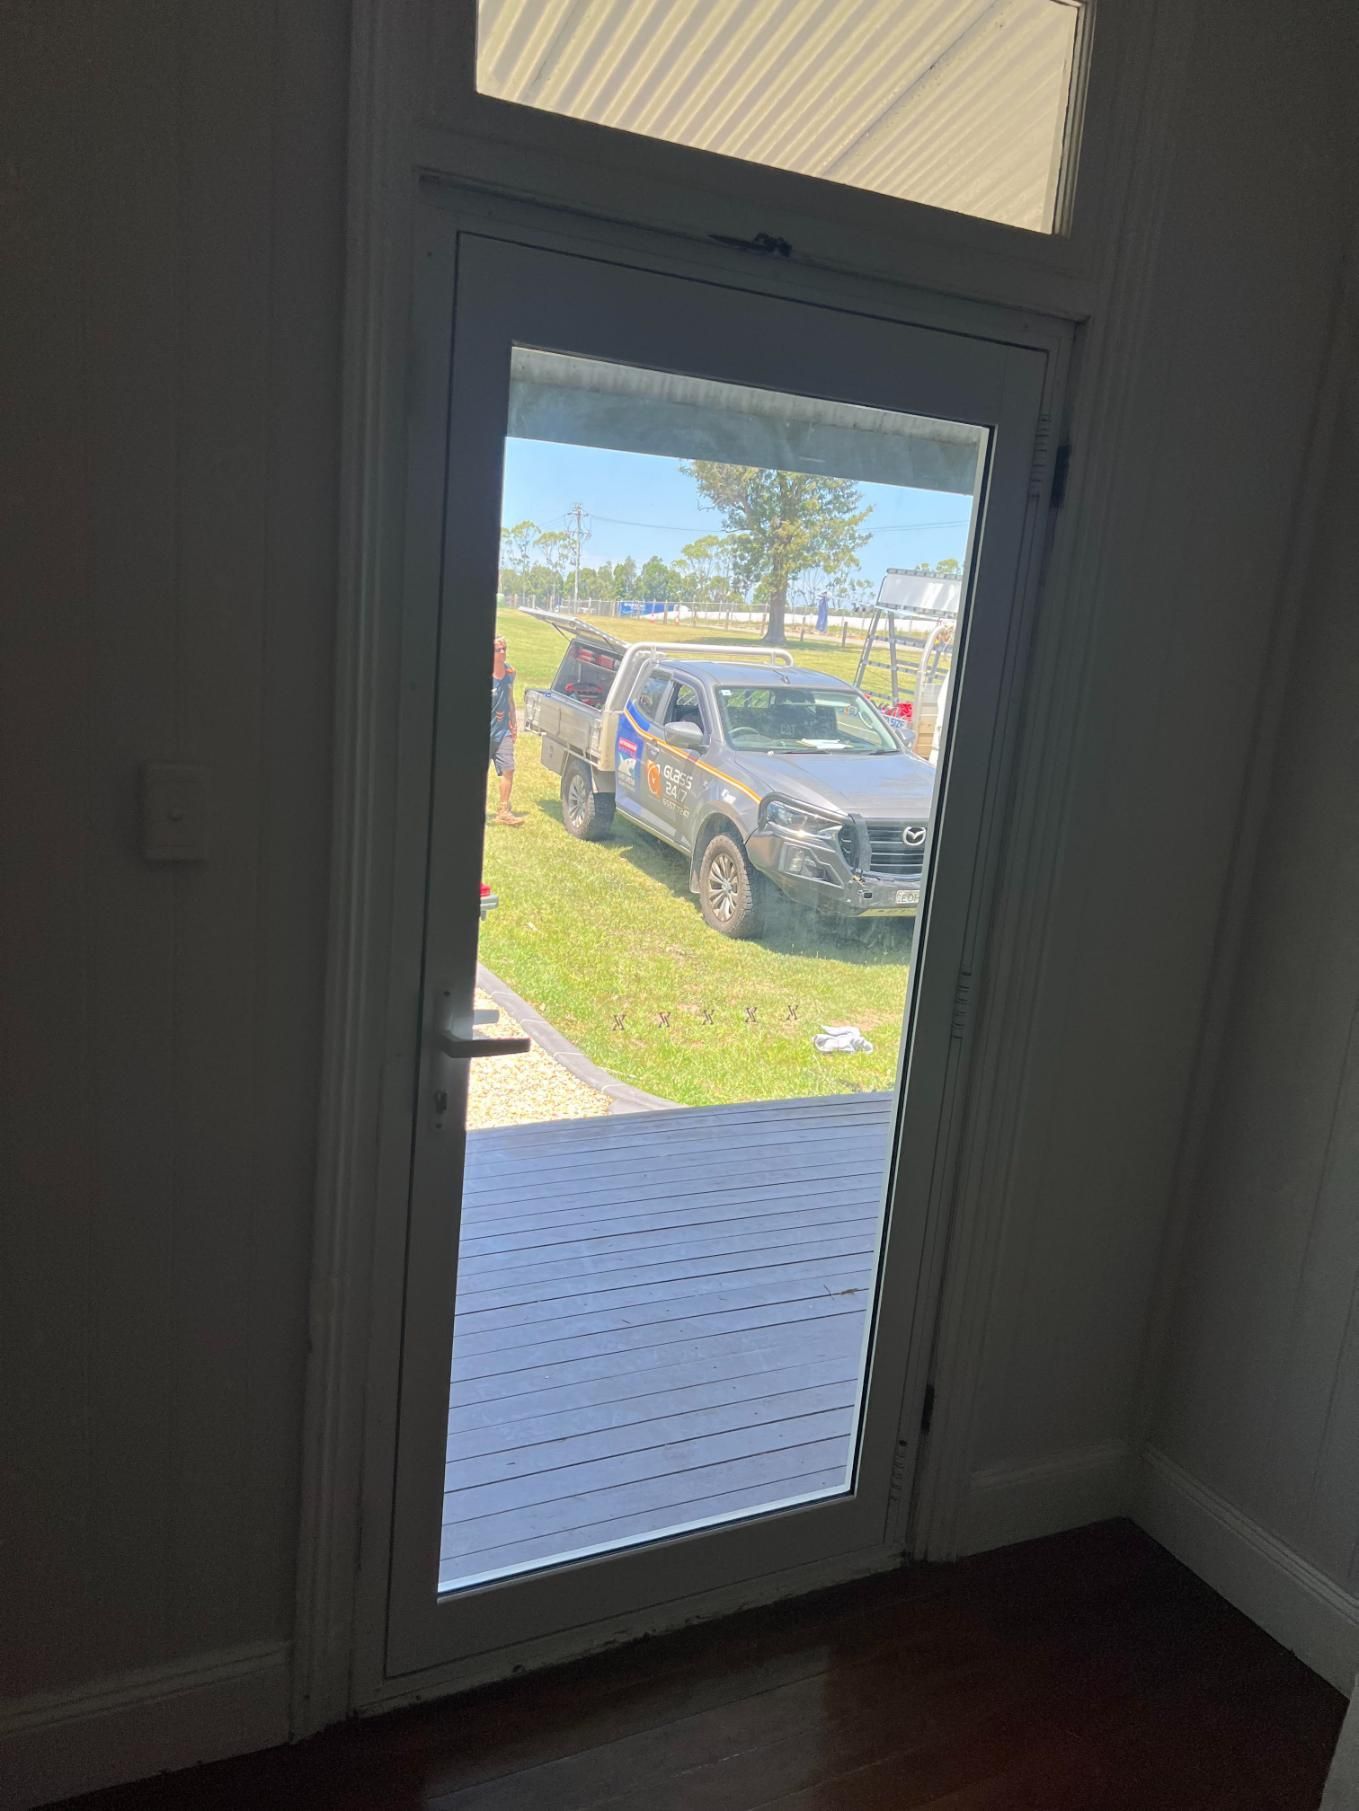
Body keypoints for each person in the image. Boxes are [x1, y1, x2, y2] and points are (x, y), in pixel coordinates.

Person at [489, 635, 524, 826]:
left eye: (504, 649)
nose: (502, 652)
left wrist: (513, 723)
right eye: (498, 650)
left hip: (503, 732)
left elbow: (510, 699)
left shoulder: (510, 672)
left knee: (508, 769)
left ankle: (503, 810)